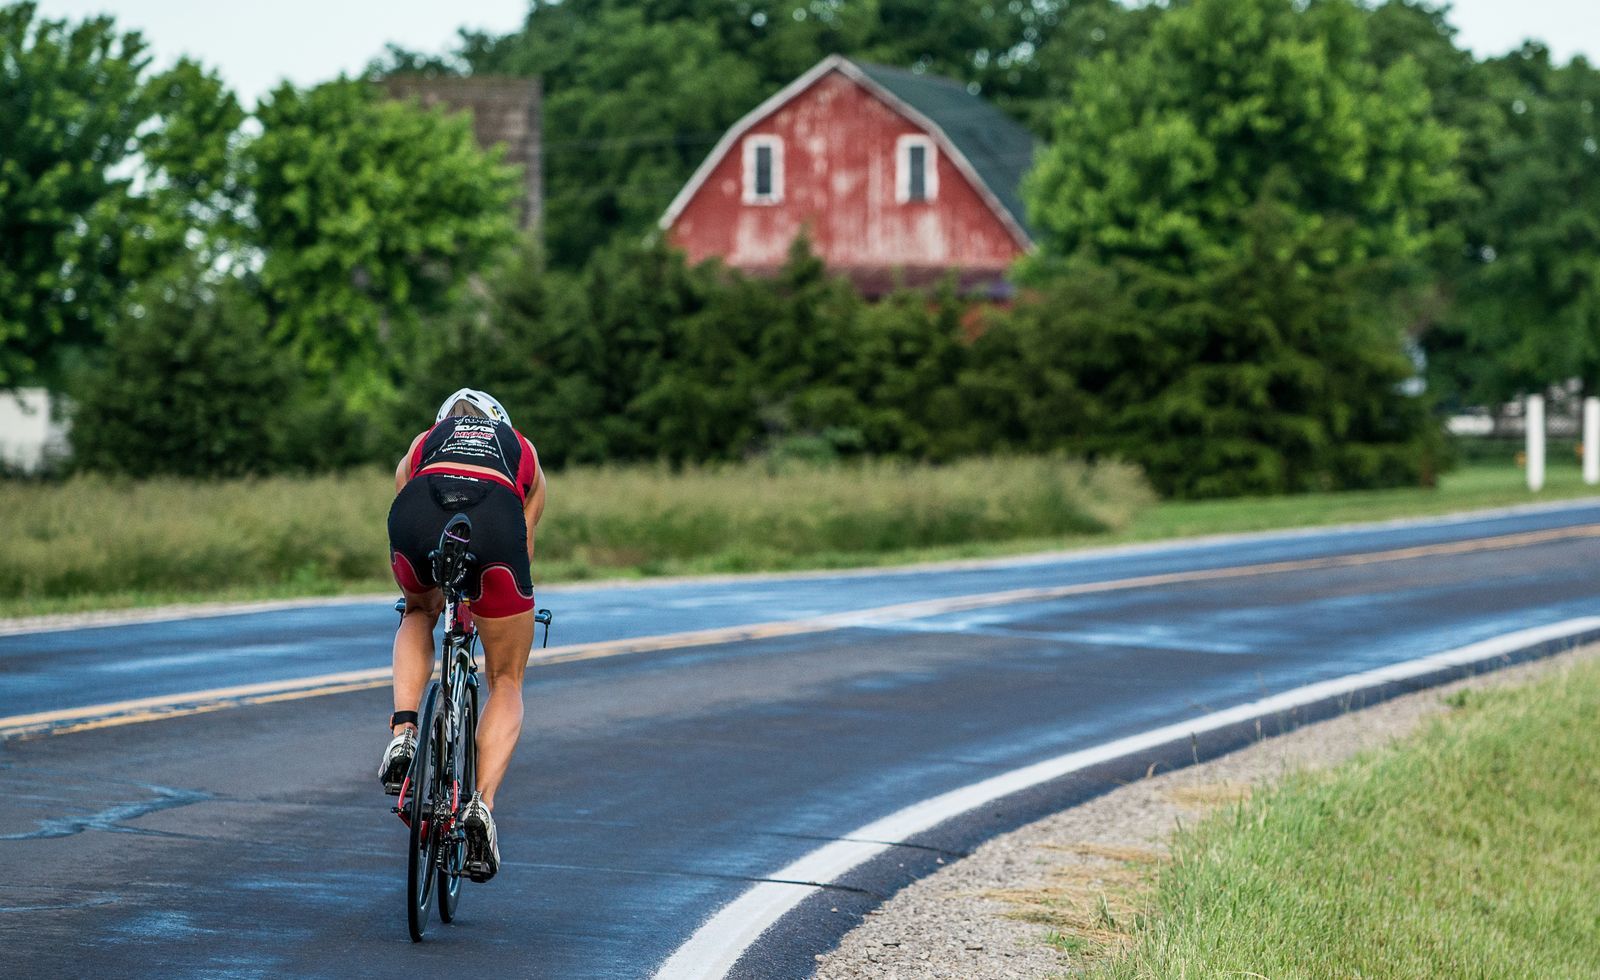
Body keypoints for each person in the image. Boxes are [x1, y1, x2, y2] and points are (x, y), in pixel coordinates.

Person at [378, 388, 546, 882]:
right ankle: (481, 805)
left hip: (420, 511)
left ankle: (405, 731)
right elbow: (523, 546)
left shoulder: (423, 442)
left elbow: (405, 505)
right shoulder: (523, 449)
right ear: (501, 424)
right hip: (495, 519)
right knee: (506, 678)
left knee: (416, 611)